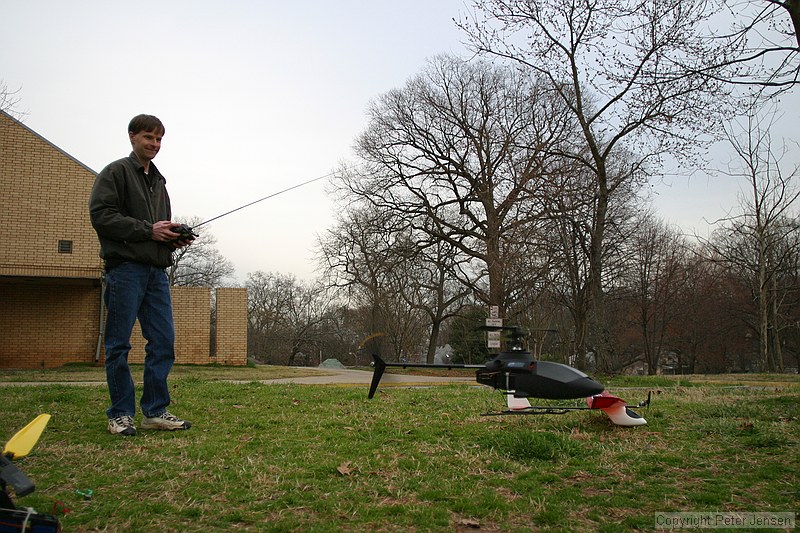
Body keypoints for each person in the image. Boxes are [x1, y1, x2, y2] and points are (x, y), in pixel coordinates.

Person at [89, 114, 194, 436]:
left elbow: (157, 231)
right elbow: (102, 216)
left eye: (160, 139)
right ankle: (120, 414)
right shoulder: (116, 172)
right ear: (133, 136)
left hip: (155, 273)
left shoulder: (159, 182)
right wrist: (148, 230)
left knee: (163, 342)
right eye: (149, 137)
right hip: (125, 271)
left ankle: (155, 411)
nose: (155, 144)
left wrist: (174, 237)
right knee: (118, 345)